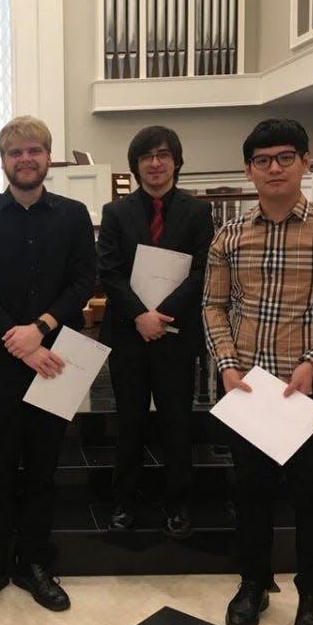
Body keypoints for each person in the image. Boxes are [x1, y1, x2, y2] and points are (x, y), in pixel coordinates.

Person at [202, 119, 313, 625]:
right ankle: (253, 584)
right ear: (249, 170)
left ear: (305, 161)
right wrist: (226, 363)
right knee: (250, 494)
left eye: (284, 157)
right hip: (249, 389)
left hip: (306, 389)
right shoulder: (229, 234)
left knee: (310, 497)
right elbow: (213, 305)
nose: (273, 168)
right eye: (262, 159)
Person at [0, 115, 96, 614]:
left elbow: (84, 280)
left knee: (43, 467)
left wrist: (39, 328)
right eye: (16, 152)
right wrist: (19, 342)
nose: (26, 159)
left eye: (34, 150)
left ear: (47, 157)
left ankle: (35, 562)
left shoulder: (74, 215)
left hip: (57, 359)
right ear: (3, 161)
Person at [97, 126, 214, 536]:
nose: (155, 163)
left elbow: (203, 272)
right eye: (147, 156)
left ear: (176, 162)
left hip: (176, 335)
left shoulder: (198, 213)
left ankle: (178, 503)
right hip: (129, 336)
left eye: (163, 154)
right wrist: (139, 316)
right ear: (136, 165)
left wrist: (160, 314)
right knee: (129, 422)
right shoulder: (116, 213)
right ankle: (123, 502)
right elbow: (108, 271)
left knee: (176, 422)